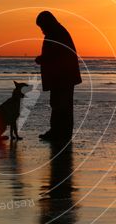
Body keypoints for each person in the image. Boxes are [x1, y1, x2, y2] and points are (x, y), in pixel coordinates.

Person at [34, 11, 82, 142]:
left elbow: (57, 55)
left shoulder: (56, 33)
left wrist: (42, 59)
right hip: (62, 77)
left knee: (62, 106)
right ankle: (57, 132)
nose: (42, 30)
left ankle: (61, 134)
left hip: (63, 77)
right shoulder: (57, 32)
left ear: (47, 23)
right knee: (58, 104)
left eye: (42, 27)